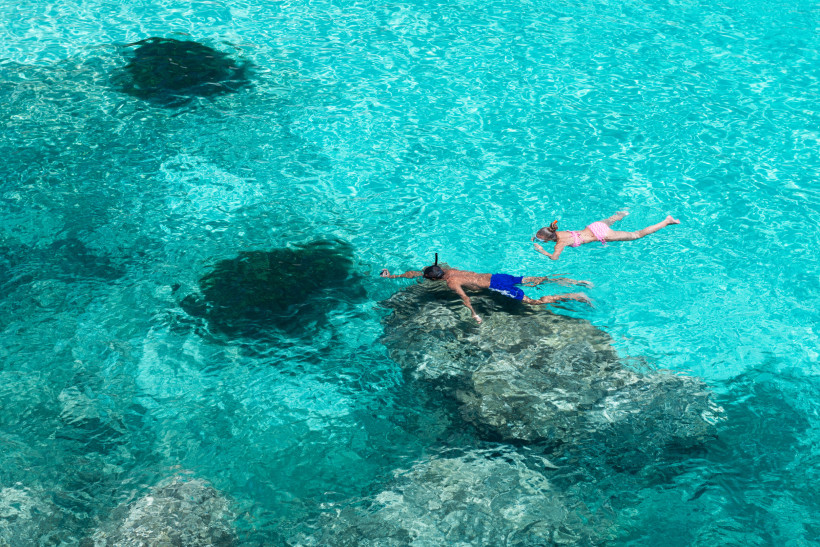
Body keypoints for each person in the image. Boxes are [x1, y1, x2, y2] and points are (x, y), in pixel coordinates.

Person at [380, 254, 591, 324]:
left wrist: (474, 314)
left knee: (532, 302)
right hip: (496, 276)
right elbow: (417, 273)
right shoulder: (447, 269)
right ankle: (576, 282)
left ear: (433, 279)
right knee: (536, 279)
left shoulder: (451, 283)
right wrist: (394, 276)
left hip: (496, 286)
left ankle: (572, 295)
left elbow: (464, 298)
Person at [532, 211, 680, 261]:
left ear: (548, 239)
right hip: (594, 226)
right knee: (611, 219)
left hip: (601, 234)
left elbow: (554, 257)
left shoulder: (560, 243)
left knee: (637, 234)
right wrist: (537, 237)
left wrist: (541, 250)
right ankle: (623, 213)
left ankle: (667, 221)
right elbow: (545, 235)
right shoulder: (555, 231)